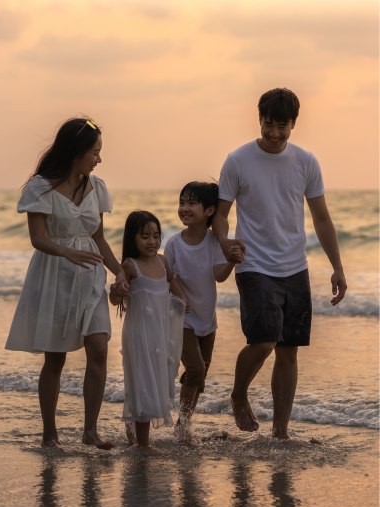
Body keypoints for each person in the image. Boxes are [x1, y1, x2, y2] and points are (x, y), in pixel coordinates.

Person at [212, 88, 347, 440]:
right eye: (268, 124)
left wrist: (337, 266)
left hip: (295, 267)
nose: (274, 133)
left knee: (288, 351)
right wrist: (225, 244)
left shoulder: (306, 162)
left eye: (282, 126)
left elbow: (321, 218)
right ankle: (239, 394)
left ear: (293, 124)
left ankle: (280, 432)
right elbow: (221, 215)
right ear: (260, 120)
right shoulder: (238, 160)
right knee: (264, 342)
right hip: (254, 264)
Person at [5, 117, 129, 450]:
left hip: (90, 275)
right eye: (95, 152)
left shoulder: (97, 187)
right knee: (55, 359)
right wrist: (67, 253)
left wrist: (119, 272)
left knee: (100, 349)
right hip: (54, 276)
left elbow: (98, 238)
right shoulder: (41, 187)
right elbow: (37, 238)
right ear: (76, 152)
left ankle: (90, 431)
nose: (99, 159)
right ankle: (50, 434)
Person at [164, 182, 243, 443]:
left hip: (208, 320)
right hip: (182, 317)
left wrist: (231, 260)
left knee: (201, 374)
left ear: (210, 210)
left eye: (191, 203)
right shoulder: (175, 244)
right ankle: (183, 425)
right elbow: (167, 277)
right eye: (182, 202)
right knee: (195, 369)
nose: (184, 209)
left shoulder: (213, 243)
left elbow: (218, 276)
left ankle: (183, 424)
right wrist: (180, 296)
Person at [109, 211, 189, 456]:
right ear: (132, 239)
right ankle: (143, 445)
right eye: (145, 236)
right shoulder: (130, 266)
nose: (152, 241)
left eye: (156, 235)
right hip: (139, 335)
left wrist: (181, 302)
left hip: (159, 336)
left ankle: (133, 434)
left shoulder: (163, 262)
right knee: (142, 382)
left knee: (154, 380)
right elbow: (114, 300)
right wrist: (117, 291)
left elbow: (174, 289)